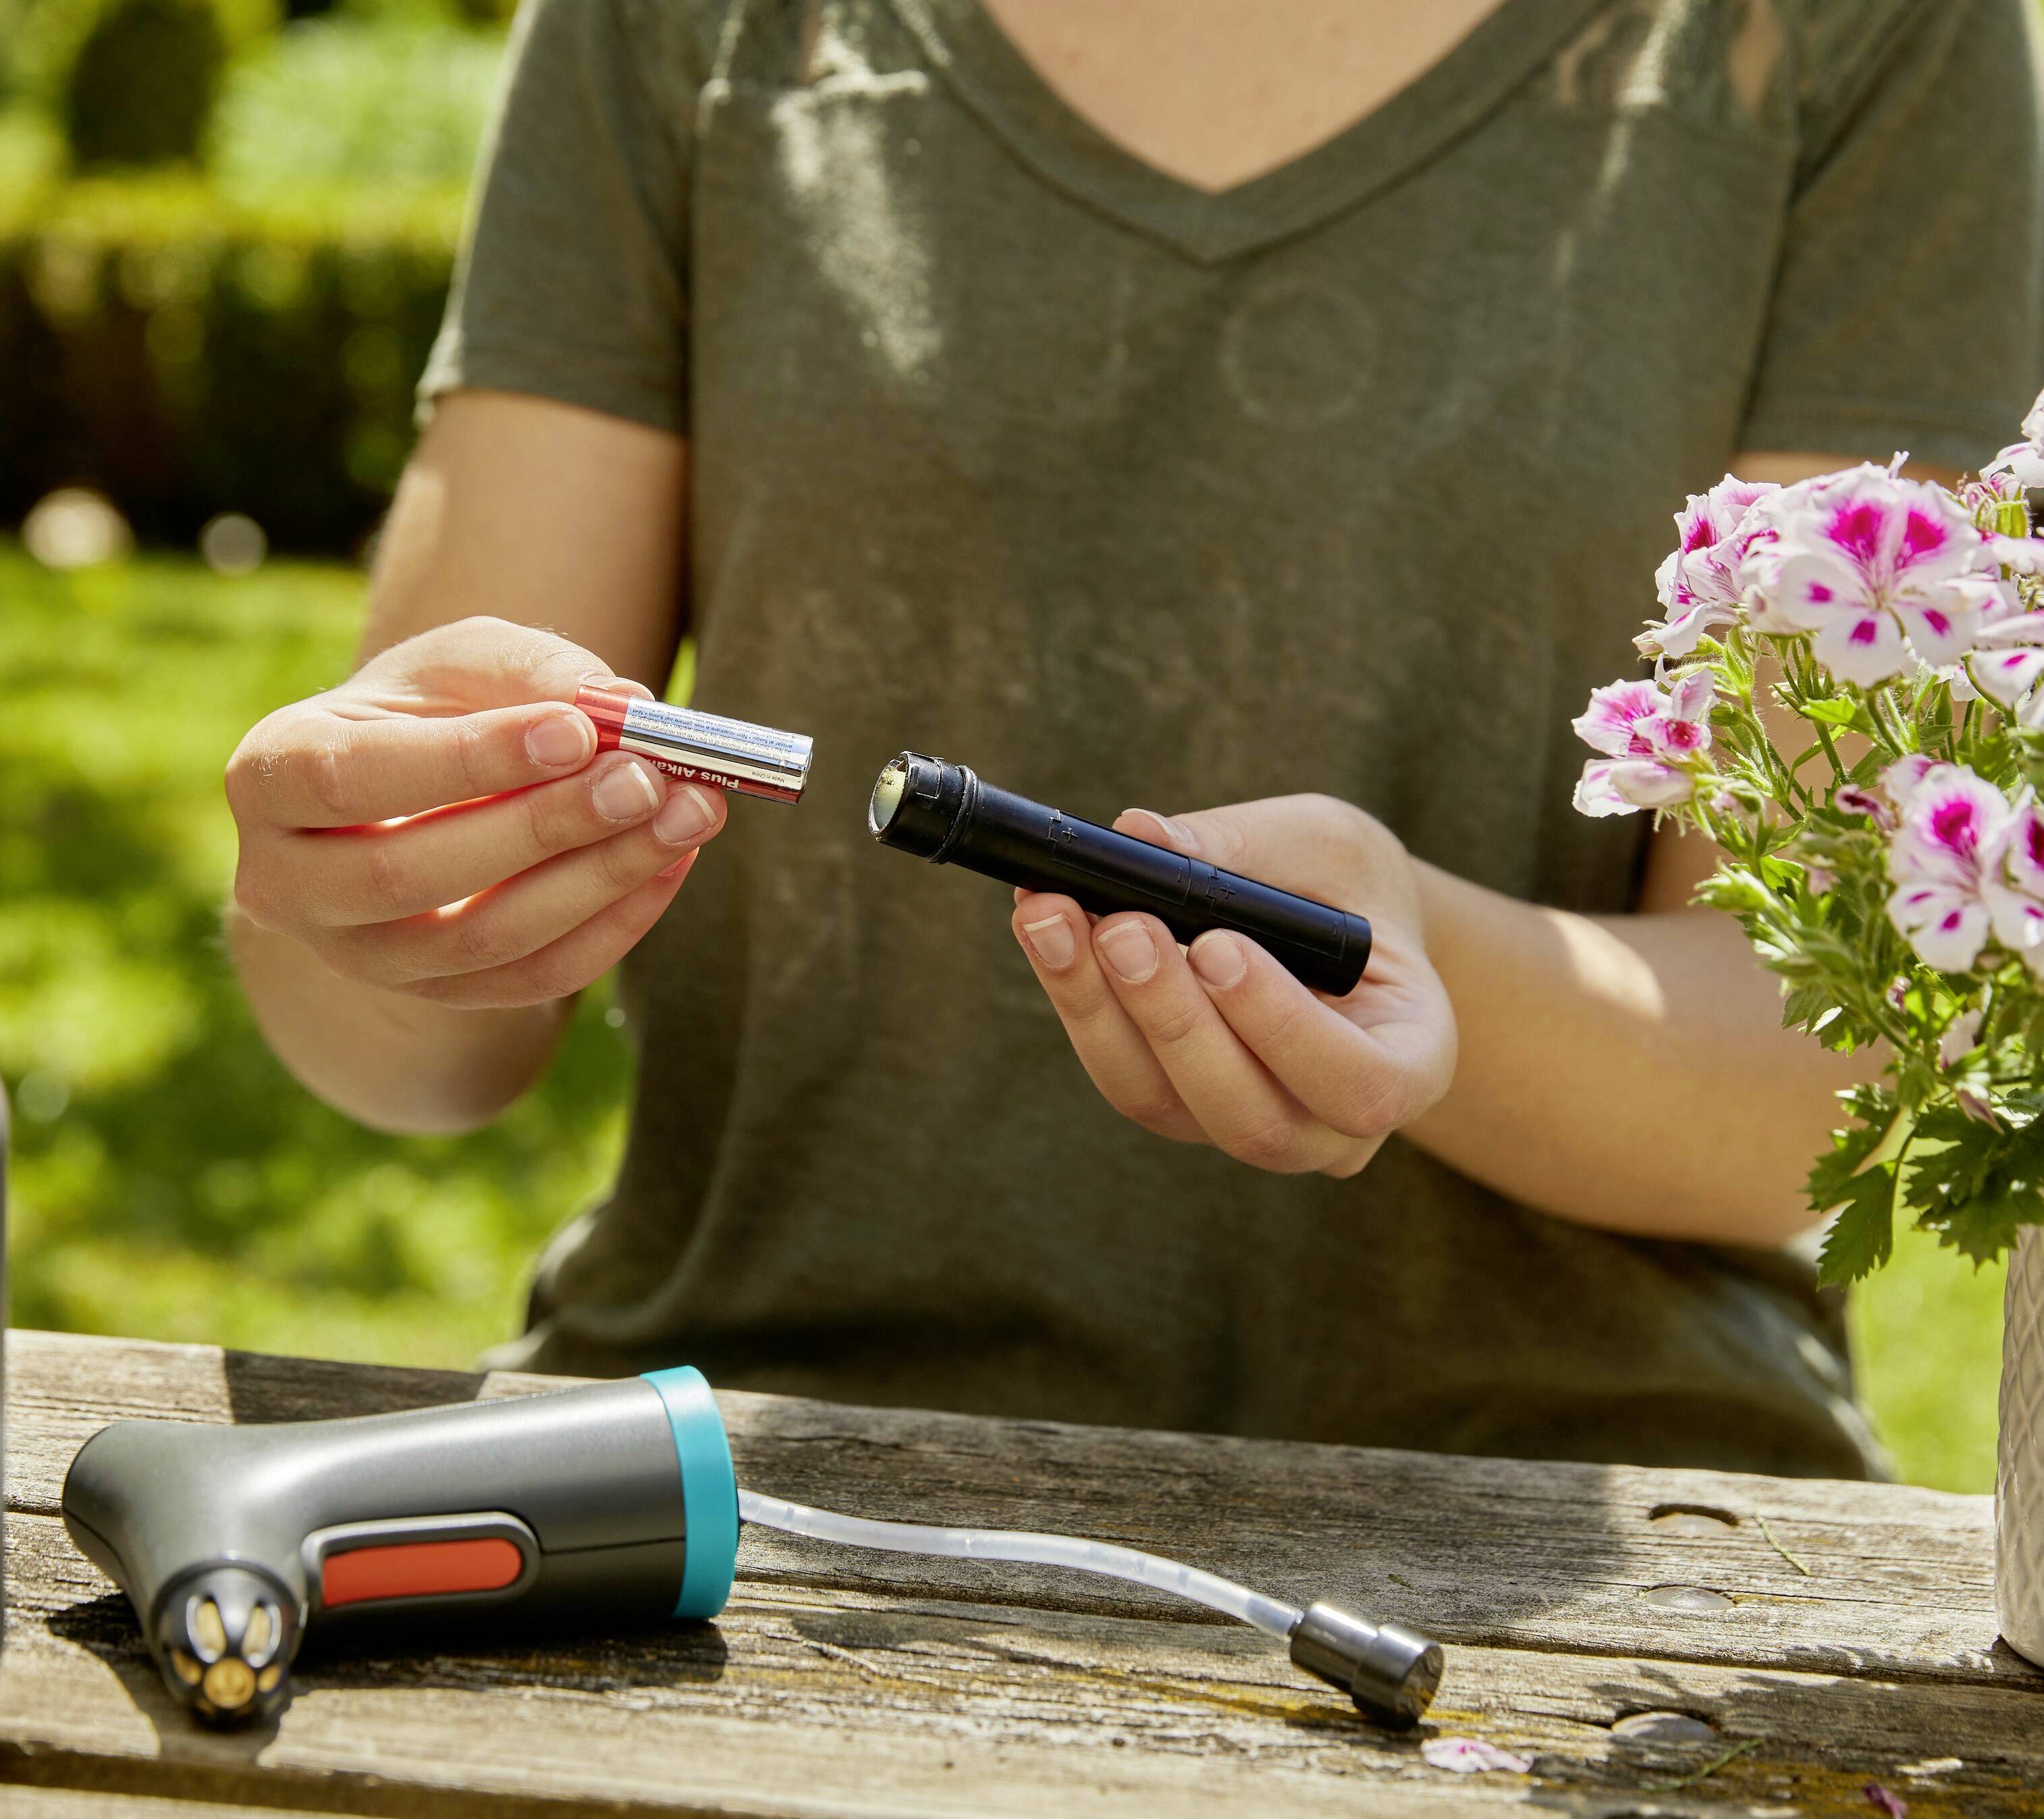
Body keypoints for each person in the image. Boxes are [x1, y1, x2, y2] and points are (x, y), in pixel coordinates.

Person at [225, 0, 2043, 1476]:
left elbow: (1824, 1073)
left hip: (1591, 1522)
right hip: (745, 1478)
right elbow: (411, 1038)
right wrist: (354, 899)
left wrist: (1425, 971)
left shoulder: (1853, 37)